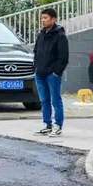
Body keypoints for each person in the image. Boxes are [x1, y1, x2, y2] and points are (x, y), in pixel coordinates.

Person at [33, 8, 69, 137]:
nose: (43, 20)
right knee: (44, 100)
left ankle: (57, 125)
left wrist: (56, 72)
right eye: (42, 18)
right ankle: (47, 125)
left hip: (52, 75)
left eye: (46, 18)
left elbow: (63, 57)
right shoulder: (41, 34)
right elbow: (36, 51)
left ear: (53, 19)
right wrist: (35, 67)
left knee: (55, 100)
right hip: (40, 73)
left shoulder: (60, 36)